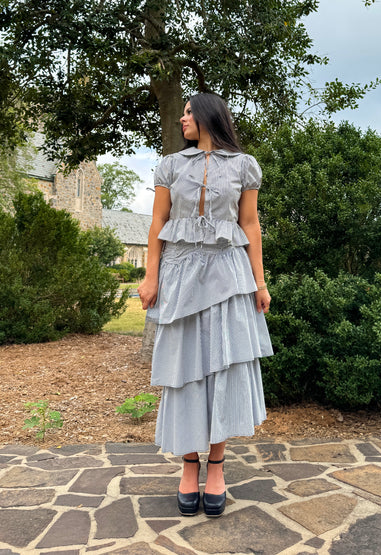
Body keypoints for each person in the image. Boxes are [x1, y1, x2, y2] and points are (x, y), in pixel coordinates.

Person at [138, 93, 273, 517]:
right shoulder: (171, 165)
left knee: (221, 368)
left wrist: (260, 283)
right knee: (184, 372)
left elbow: (248, 224)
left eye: (188, 112)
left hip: (228, 277)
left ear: (209, 116)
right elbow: (157, 223)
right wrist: (150, 275)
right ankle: (188, 466)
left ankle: (216, 466)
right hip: (178, 276)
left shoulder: (244, 166)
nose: (182, 119)